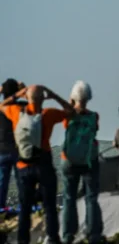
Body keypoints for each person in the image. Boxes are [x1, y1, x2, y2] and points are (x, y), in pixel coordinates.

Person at [0, 84, 74, 244]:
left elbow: (1, 105)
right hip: (44, 163)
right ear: (43, 98)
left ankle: (23, 240)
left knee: (24, 208)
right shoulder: (48, 114)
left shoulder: (16, 113)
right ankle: (52, 238)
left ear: (27, 98)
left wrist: (18, 94)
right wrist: (54, 95)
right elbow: (71, 111)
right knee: (49, 206)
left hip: (23, 165)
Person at [60, 81, 103, 244]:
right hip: (89, 159)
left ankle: (68, 235)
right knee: (91, 197)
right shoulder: (94, 116)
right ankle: (93, 235)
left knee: (69, 197)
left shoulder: (68, 115)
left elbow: (67, 115)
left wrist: (70, 102)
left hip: (69, 159)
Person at [0, 79, 23, 209]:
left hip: (2, 149)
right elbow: (34, 103)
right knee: (22, 181)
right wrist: (23, 91)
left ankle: (0, 208)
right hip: (18, 149)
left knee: (2, 182)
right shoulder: (21, 107)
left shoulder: (1, 108)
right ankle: (24, 206)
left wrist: (1, 90)